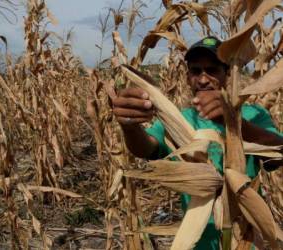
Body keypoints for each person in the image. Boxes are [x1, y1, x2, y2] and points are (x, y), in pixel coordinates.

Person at [112, 36, 283, 249]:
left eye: (212, 70)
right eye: (196, 71)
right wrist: (130, 126)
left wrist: (233, 120)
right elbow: (146, 148)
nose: (203, 79)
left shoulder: (253, 114)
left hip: (246, 239)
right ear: (187, 77)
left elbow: (277, 154)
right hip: (199, 237)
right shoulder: (180, 118)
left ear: (227, 74)